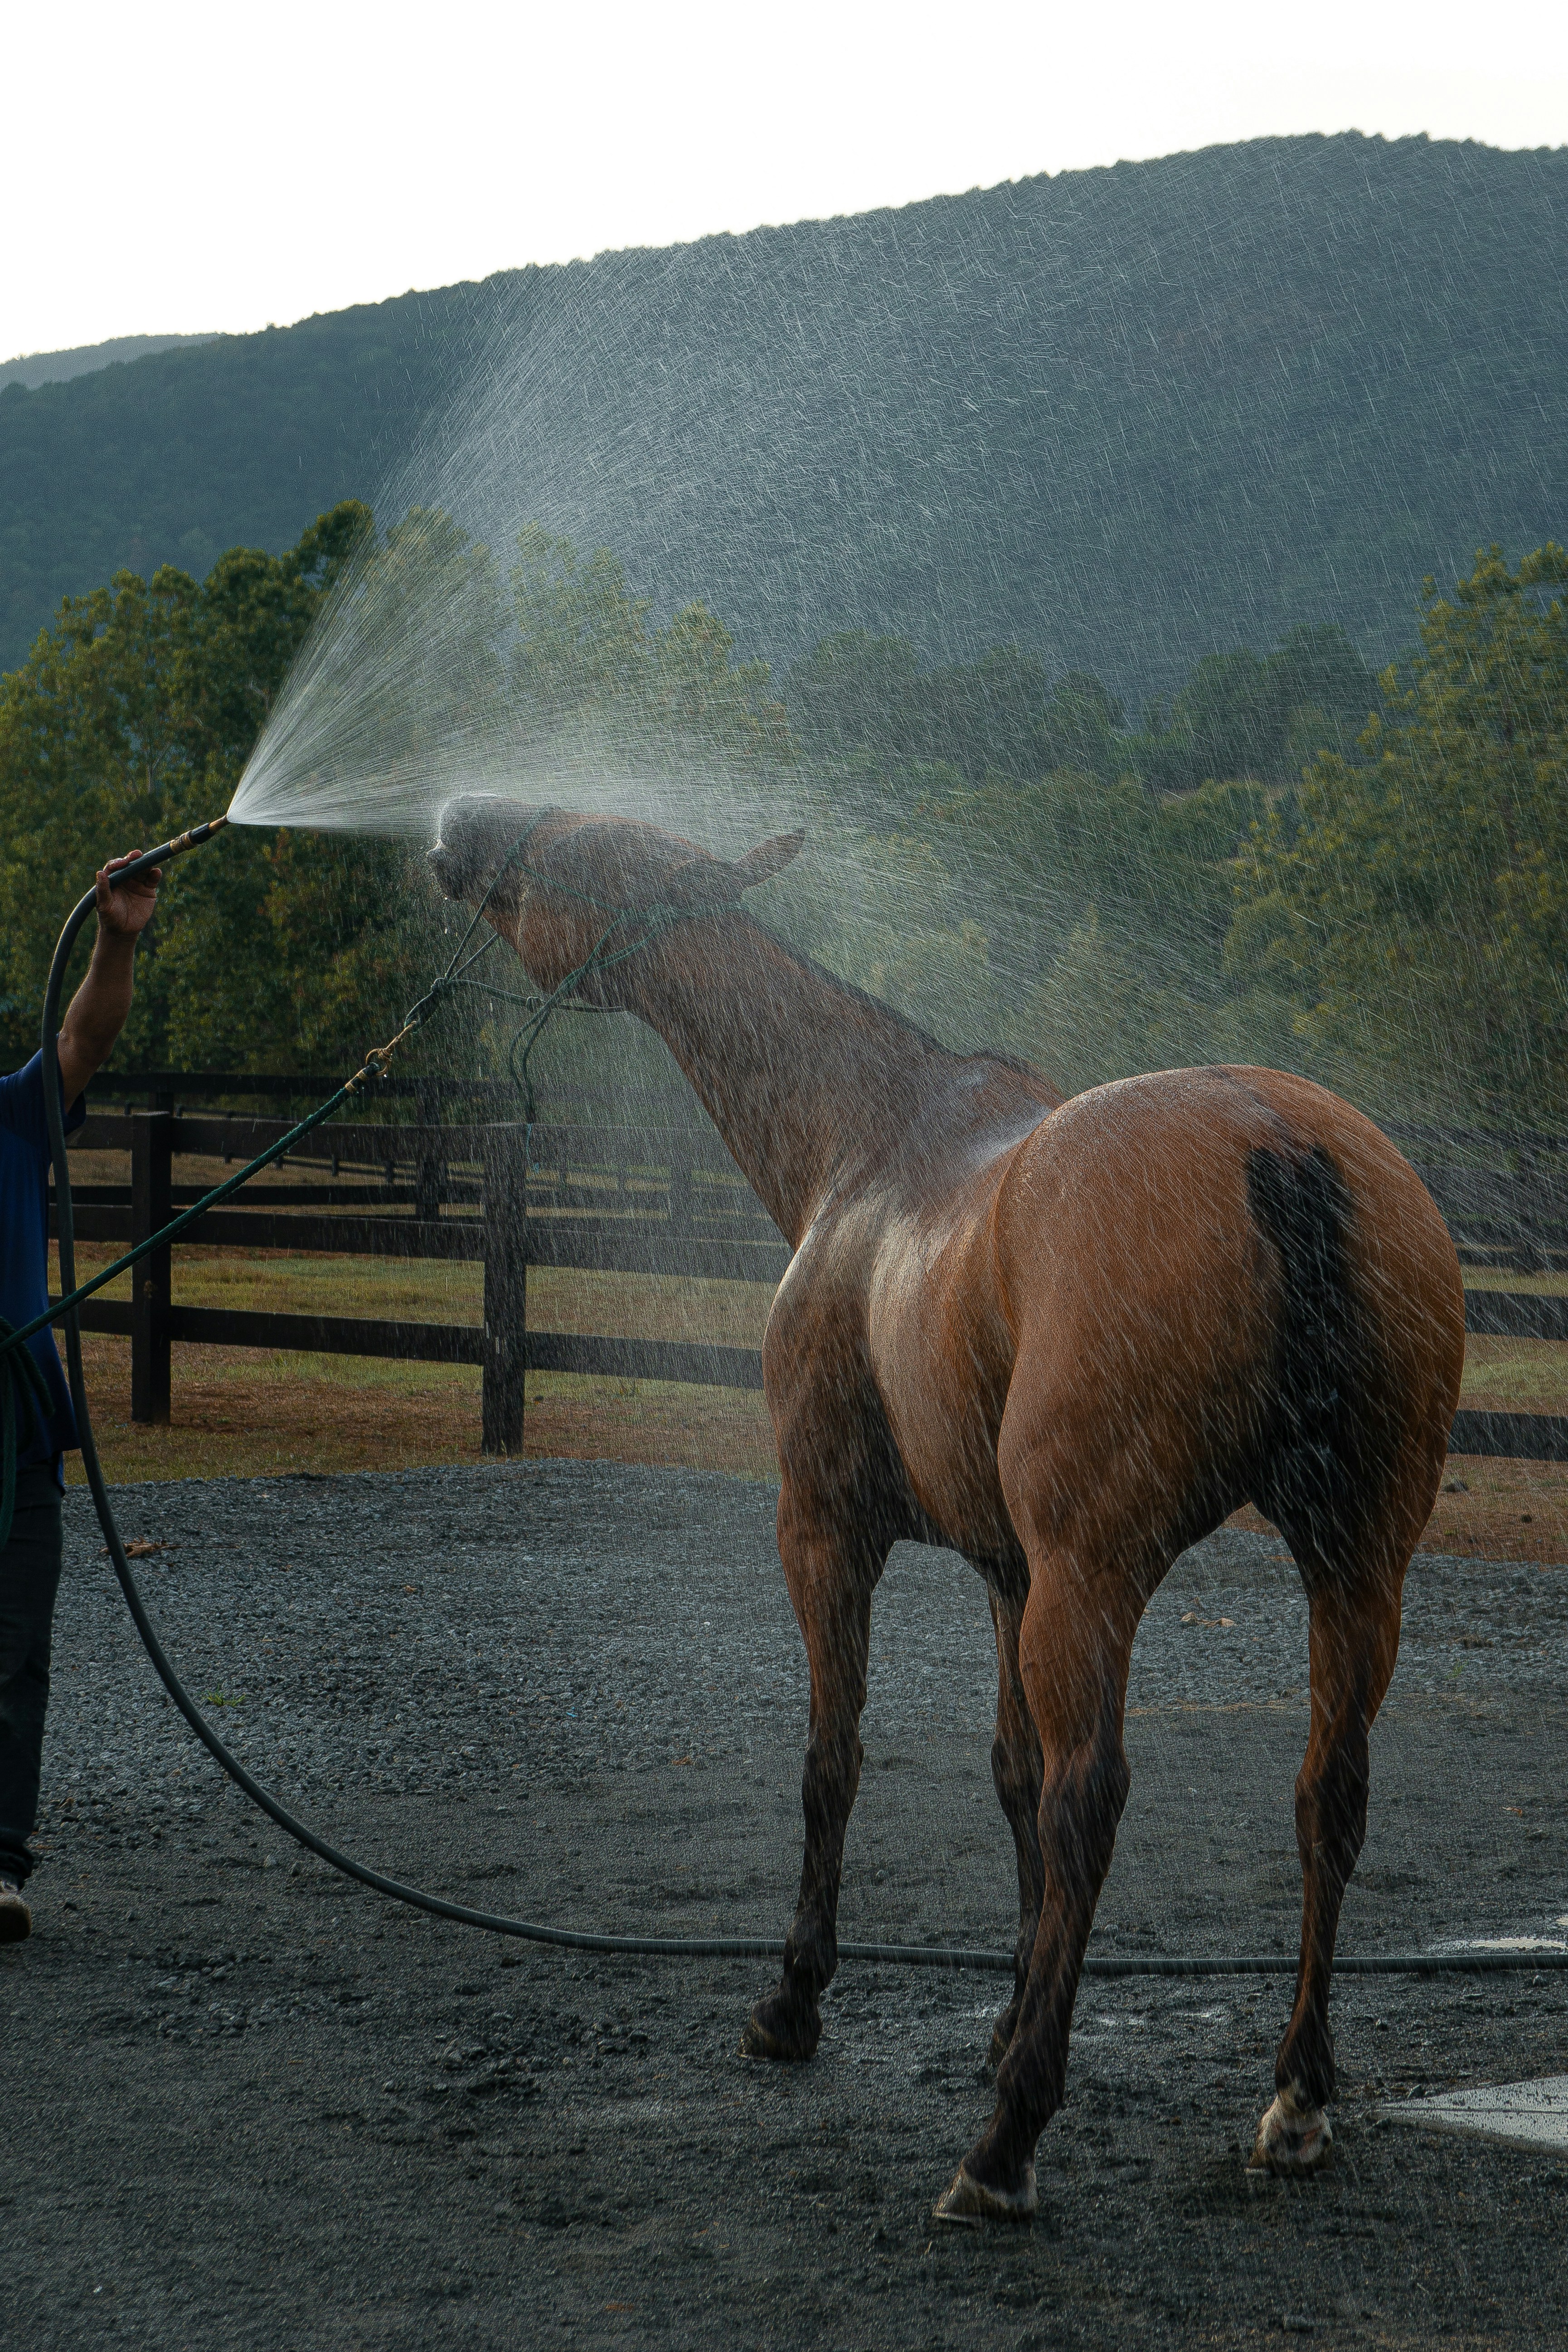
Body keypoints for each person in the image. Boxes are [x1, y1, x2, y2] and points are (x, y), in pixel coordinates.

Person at [0, 851, 161, 1942]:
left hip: (16, 1430)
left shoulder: (12, 1116)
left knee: (14, 1653)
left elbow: (84, 1040)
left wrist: (116, 936)